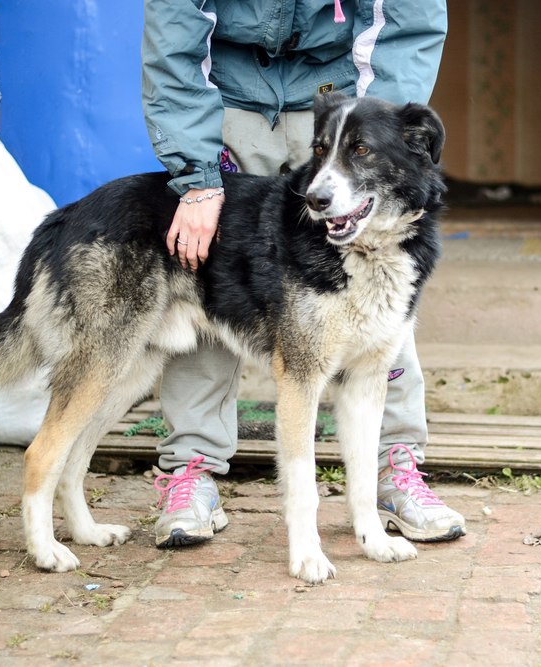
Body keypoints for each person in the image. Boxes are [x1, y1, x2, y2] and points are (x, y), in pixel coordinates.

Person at [141, 0, 465, 549]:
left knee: (380, 294)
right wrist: (197, 174)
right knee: (208, 279)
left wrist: (375, 120)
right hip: (224, 104)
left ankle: (395, 469)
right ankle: (190, 469)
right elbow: (175, 31)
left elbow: (408, 19)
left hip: (341, 102)